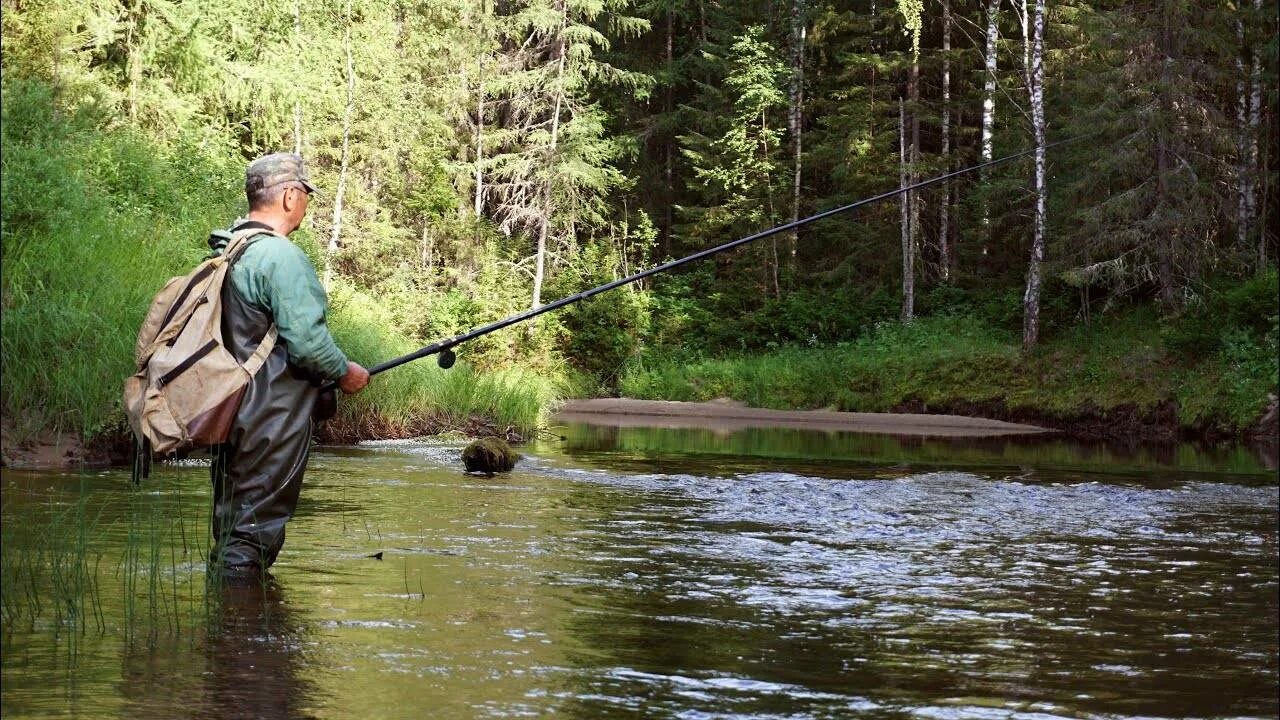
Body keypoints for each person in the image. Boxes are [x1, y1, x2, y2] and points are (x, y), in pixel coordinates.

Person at [207, 152, 369, 581]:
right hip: (271, 416)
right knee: (251, 534)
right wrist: (345, 372)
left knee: (232, 526)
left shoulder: (232, 247)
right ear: (289, 198)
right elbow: (310, 343)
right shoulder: (280, 257)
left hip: (232, 409)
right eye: (304, 196)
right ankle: (244, 636)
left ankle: (222, 629)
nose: (305, 206)